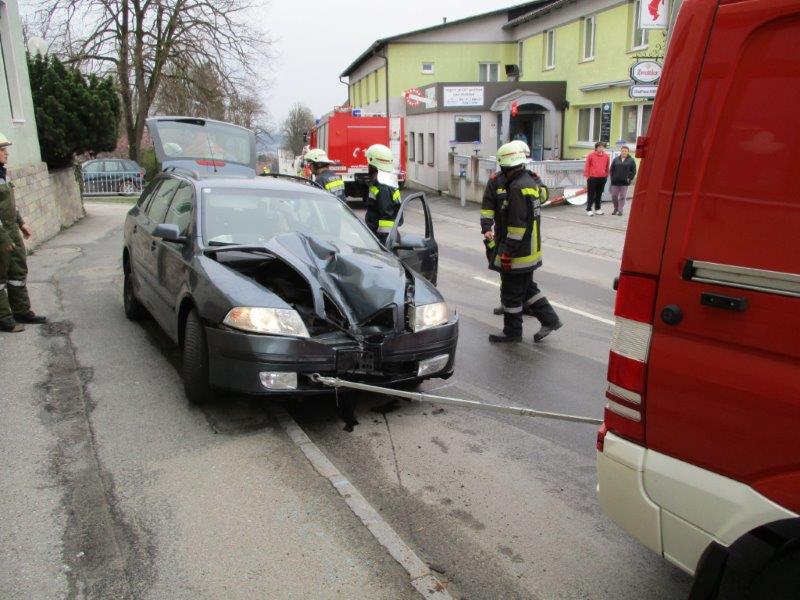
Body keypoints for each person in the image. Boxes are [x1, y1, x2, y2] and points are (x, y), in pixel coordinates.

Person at [488, 142, 562, 344]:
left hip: (518, 253)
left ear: (505, 165)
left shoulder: (517, 188)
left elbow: (517, 227)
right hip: (530, 250)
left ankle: (512, 332)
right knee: (527, 288)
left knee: (511, 294)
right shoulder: (529, 182)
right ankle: (550, 319)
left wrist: (507, 253)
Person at [0, 133, 47, 332]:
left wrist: (21, 223)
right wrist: (2, 238)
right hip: (1, 234)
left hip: (11, 230)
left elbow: (8, 205)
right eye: (2, 149)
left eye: (5, 149)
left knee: (18, 272)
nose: (6, 153)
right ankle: (3, 318)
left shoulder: (3, 174)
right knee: (0, 277)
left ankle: (21, 311)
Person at [364, 144, 401, 244]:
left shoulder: (383, 186)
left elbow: (387, 216)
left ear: (373, 165)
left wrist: (382, 241)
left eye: (369, 164)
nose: (367, 166)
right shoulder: (385, 182)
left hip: (384, 240)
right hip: (382, 236)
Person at [583, 141, 610, 216]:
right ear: (596, 148)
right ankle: (588, 209)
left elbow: (607, 166)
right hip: (592, 178)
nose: (601, 148)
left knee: (599, 194)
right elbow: (587, 166)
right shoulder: (591, 155)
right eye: (599, 147)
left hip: (602, 178)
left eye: (602, 147)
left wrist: (606, 175)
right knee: (591, 194)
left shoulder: (606, 156)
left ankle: (598, 209)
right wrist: (587, 176)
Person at [609, 145, 636, 216]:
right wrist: (612, 178)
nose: (624, 152)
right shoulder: (615, 159)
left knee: (622, 196)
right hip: (615, 181)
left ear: (628, 152)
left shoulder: (631, 160)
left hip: (624, 182)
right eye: (622, 151)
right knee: (614, 196)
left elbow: (634, 171)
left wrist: (629, 178)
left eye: (625, 151)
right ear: (620, 151)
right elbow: (611, 170)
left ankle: (620, 210)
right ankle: (616, 208)